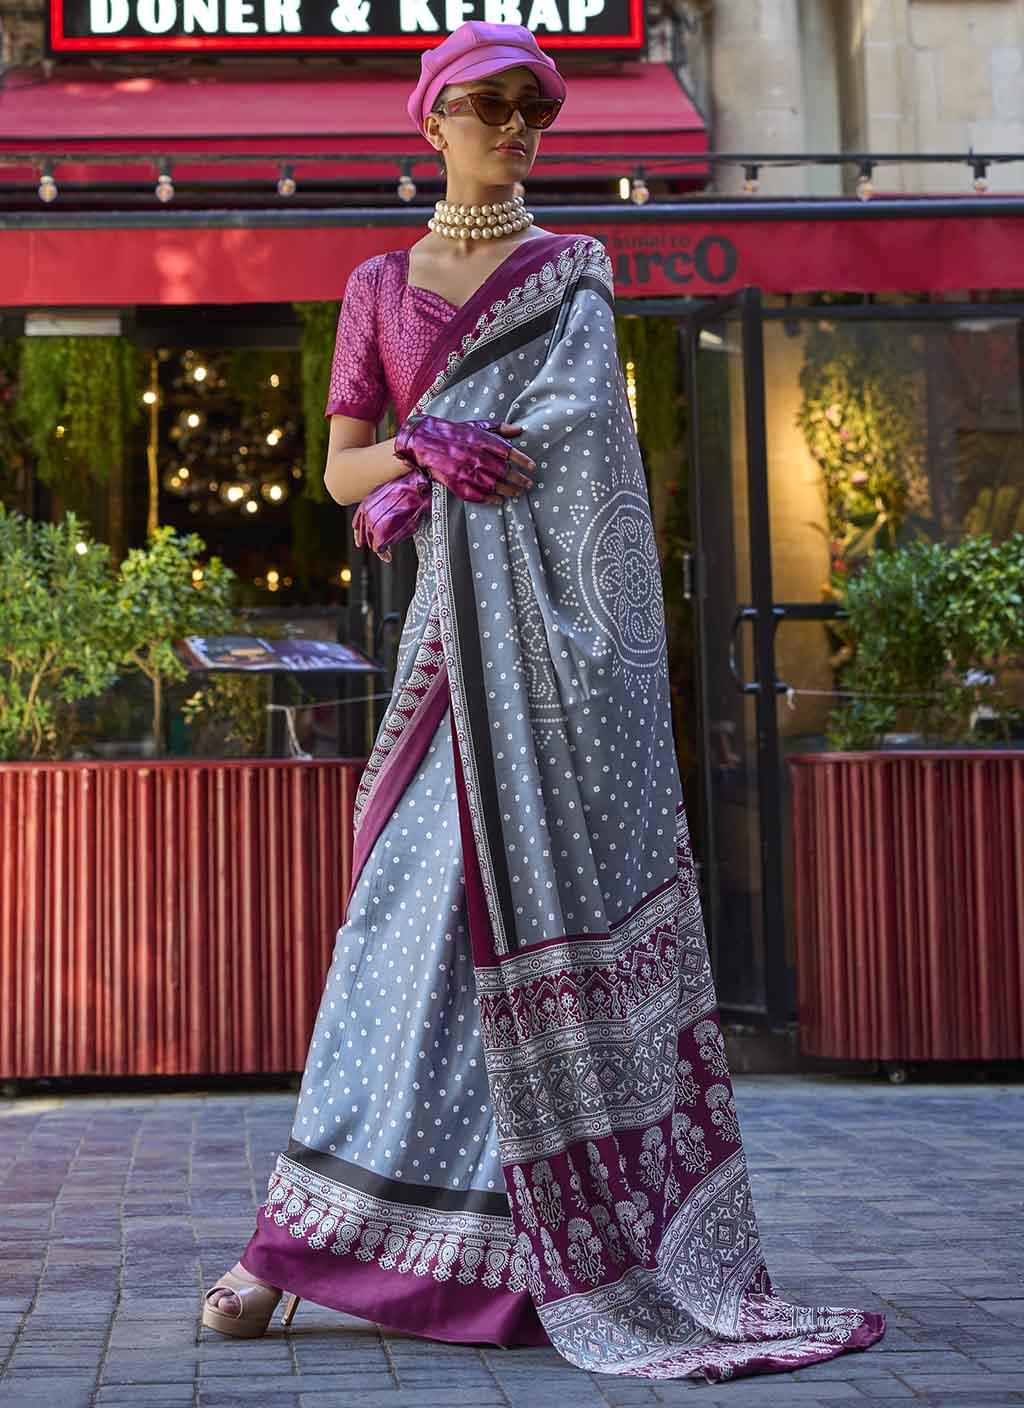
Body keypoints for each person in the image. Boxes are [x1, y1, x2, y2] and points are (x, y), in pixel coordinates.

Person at [199, 20, 887, 1383]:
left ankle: (537, 1249)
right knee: (398, 939)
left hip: (555, 680)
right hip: (447, 661)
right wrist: (417, 447)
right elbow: (342, 471)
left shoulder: (572, 274)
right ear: (432, 120)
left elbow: (579, 451)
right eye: (491, 105)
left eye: (535, 108)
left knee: (512, 935)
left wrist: (464, 459)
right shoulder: (378, 286)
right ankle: (302, 1240)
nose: (516, 128)